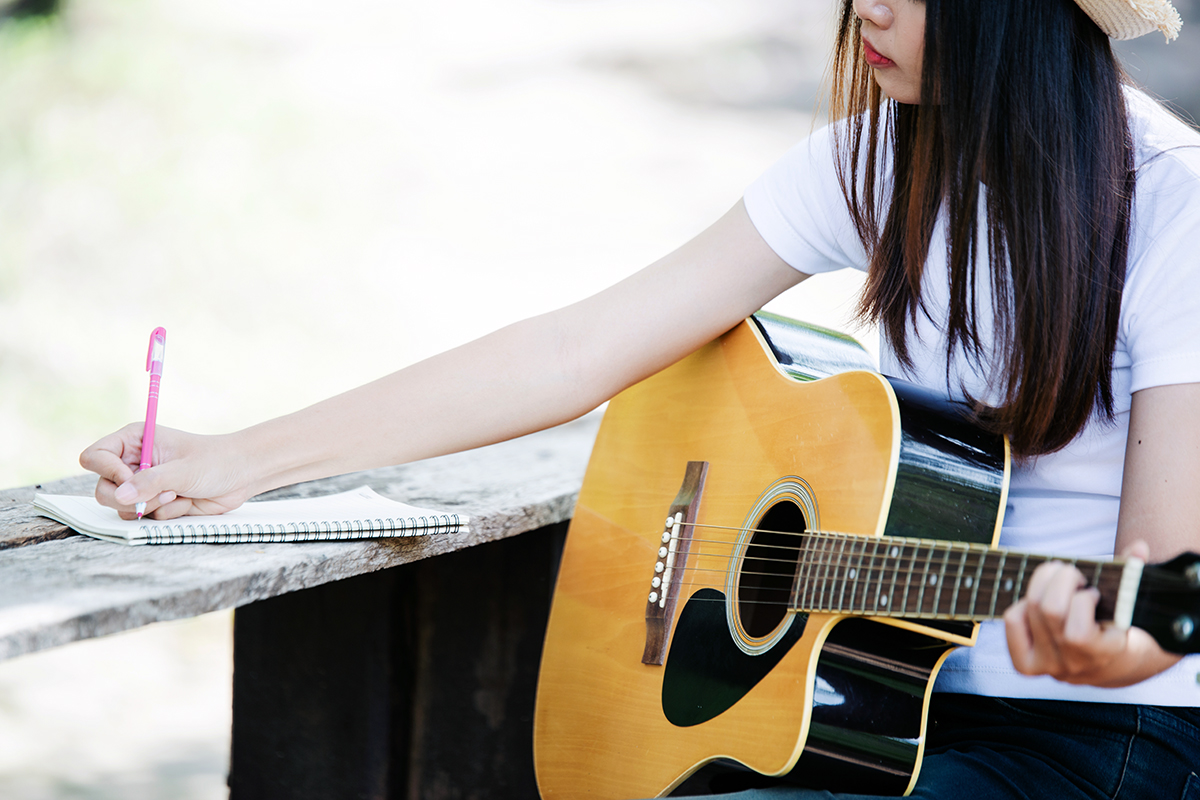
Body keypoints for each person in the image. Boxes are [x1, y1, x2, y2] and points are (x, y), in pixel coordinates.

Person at [80, 0, 1200, 796]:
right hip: (874, 716)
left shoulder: (1170, 209)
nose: (863, 9)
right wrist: (238, 459)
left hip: (1099, 738)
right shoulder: (876, 165)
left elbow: (1156, 593)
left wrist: (1110, 645)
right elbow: (574, 350)